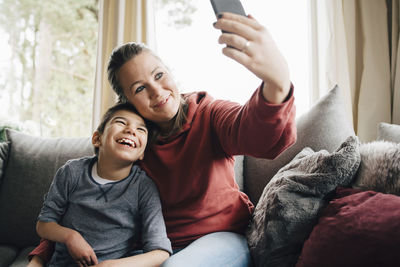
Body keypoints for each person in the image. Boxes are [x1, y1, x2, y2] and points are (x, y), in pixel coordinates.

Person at [28, 12, 296, 266]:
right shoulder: (131, 144)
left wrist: (277, 82)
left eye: (159, 75)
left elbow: (258, 136)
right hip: (153, 248)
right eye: (140, 88)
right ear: (128, 102)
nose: (157, 92)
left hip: (219, 237)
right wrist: (40, 257)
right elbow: (80, 209)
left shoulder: (208, 112)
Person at [34, 102, 172, 267]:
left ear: (142, 153)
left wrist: (111, 266)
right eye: (121, 122)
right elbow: (43, 224)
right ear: (97, 138)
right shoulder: (72, 172)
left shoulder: (144, 188)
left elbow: (160, 253)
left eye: (141, 129)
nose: (131, 130)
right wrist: (70, 237)